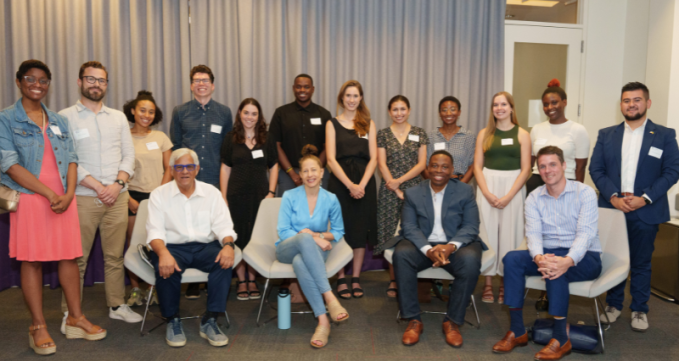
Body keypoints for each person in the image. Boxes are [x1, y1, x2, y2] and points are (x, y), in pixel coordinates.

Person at [0, 60, 106, 355]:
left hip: (63, 200)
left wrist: (70, 193)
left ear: (49, 84)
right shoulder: (6, 119)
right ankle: (37, 326)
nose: (37, 84)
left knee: (69, 258)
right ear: (20, 82)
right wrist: (49, 193)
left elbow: (71, 158)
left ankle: (76, 318)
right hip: (32, 199)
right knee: (31, 261)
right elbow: (9, 165)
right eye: (31, 79)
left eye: (43, 80)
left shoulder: (59, 121)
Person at [493, 146, 602, 360]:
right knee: (512, 259)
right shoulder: (534, 197)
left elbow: (585, 234)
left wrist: (568, 261)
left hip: (585, 256)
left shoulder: (585, 193)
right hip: (549, 253)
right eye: (542, 166)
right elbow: (533, 234)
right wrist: (538, 257)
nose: (547, 170)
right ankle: (518, 331)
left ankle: (561, 339)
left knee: (557, 270)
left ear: (563, 165)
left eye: (552, 164)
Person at [59, 61, 142, 330]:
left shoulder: (118, 117)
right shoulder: (65, 117)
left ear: (107, 84)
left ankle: (117, 305)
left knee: (115, 257)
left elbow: (129, 156)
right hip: (83, 197)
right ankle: (71, 312)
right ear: (80, 81)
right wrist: (97, 186)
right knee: (77, 259)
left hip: (117, 197)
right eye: (91, 79)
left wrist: (118, 184)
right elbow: (67, 159)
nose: (96, 84)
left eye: (101, 80)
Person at [590, 82, 679, 332]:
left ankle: (639, 309)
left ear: (647, 103)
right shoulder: (607, 134)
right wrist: (614, 197)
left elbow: (672, 171)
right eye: (627, 100)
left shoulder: (664, 135)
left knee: (641, 262)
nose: (632, 104)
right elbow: (595, 169)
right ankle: (613, 305)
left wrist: (645, 198)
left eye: (637, 100)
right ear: (621, 105)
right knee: (614, 260)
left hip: (645, 209)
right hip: (613, 208)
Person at [382, 150, 485, 348]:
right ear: (427, 169)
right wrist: (428, 250)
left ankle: (452, 321)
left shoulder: (465, 191)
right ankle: (413, 319)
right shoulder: (413, 192)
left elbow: (471, 227)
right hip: (423, 244)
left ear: (452, 170)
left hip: (454, 245)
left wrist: (450, 247)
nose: (439, 170)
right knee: (401, 254)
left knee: (471, 260)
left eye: (445, 167)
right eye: (434, 166)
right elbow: (409, 227)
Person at [146, 148, 238, 348]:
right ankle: (172, 320)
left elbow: (223, 226)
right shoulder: (159, 195)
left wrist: (229, 246)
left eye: (189, 166)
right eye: (179, 167)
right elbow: (154, 232)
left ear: (197, 169)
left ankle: (210, 320)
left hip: (205, 246)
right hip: (172, 246)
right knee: (166, 267)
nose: (184, 171)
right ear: (171, 170)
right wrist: (163, 253)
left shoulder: (212, 193)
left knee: (223, 262)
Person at [170, 64, 233, 299]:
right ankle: (193, 281)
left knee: (213, 229)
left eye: (205, 80)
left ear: (213, 85)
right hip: (188, 180)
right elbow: (176, 148)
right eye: (196, 80)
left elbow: (228, 148)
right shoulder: (180, 111)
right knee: (190, 227)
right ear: (191, 85)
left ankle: (212, 276)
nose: (201, 84)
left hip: (216, 180)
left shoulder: (224, 112)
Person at [527, 79, 590, 312]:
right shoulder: (537, 129)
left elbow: (581, 167)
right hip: (538, 184)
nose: (550, 107)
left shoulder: (578, 130)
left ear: (564, 102)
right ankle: (546, 289)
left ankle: (557, 282)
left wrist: (576, 195)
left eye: (554, 102)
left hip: (568, 186)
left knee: (564, 237)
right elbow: (534, 162)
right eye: (546, 104)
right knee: (543, 237)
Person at [276, 145, 348, 348]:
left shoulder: (331, 199)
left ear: (322, 172)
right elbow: (283, 230)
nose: (310, 175)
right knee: (304, 241)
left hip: (311, 254)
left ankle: (323, 322)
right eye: (305, 171)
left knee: (301, 262)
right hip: (286, 249)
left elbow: (339, 231)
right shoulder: (289, 196)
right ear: (300, 174)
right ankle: (329, 297)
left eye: (314, 170)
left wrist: (317, 235)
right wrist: (313, 238)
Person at [473, 91, 531, 304]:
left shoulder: (523, 134)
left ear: (512, 108)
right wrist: (487, 193)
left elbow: (526, 170)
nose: (499, 108)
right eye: (496, 105)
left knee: (511, 233)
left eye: (504, 104)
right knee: (487, 233)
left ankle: (506, 284)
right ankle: (488, 284)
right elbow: (477, 167)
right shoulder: (484, 134)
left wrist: (508, 196)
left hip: (513, 189)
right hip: (487, 186)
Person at [220, 98, 278, 300]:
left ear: (259, 116)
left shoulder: (267, 138)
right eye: (246, 113)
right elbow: (226, 168)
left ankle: (253, 279)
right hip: (235, 196)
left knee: (256, 238)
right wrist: (223, 197)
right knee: (239, 237)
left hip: (260, 197)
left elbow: (274, 166)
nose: (250, 117)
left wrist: (271, 193)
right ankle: (242, 280)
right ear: (240, 114)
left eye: (254, 113)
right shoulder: (230, 138)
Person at [326, 80, 378, 299]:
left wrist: (362, 186)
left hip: (365, 183)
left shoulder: (368, 124)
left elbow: (374, 158)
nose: (351, 100)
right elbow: (330, 158)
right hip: (340, 183)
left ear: (360, 98)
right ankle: (340, 278)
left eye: (355, 96)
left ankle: (355, 278)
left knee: (359, 231)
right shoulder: (332, 124)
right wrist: (350, 185)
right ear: (341, 98)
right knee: (340, 231)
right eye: (348, 95)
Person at [122, 90, 173, 307]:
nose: (146, 115)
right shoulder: (123, 136)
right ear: (133, 111)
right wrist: (126, 198)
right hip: (131, 196)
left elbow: (169, 168)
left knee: (156, 243)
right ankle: (135, 289)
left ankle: (153, 287)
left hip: (157, 196)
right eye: (142, 110)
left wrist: (159, 195)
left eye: (151, 112)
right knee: (135, 243)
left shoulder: (160, 137)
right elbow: (118, 170)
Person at [374, 95, 428, 298]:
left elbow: (422, 165)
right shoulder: (383, 134)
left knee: (415, 234)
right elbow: (381, 164)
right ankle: (394, 280)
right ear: (389, 112)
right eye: (395, 109)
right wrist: (395, 188)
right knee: (391, 235)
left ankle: (414, 279)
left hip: (415, 190)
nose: (399, 113)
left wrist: (401, 182)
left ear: (409, 110)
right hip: (389, 191)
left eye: (402, 109)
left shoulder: (419, 133)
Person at [270, 74, 332, 196]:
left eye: (306, 87)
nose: (302, 90)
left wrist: (314, 171)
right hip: (289, 174)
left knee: (320, 213)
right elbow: (275, 146)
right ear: (293, 88)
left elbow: (328, 147)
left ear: (312, 89)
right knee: (287, 213)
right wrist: (292, 173)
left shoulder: (324, 114)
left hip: (318, 174)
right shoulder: (281, 113)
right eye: (299, 87)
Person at [425, 96, 476, 183]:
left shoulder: (469, 136)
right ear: (439, 113)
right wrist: (435, 184)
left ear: (459, 112)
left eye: (453, 109)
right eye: (444, 110)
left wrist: (461, 186)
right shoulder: (430, 136)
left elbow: (473, 166)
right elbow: (424, 166)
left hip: (460, 183)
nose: (448, 113)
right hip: (435, 183)